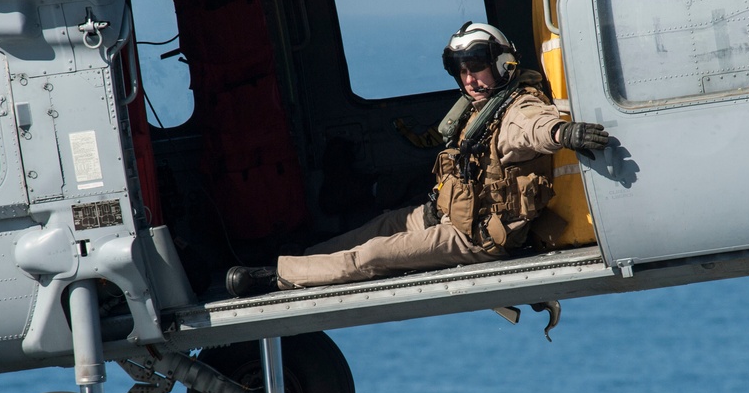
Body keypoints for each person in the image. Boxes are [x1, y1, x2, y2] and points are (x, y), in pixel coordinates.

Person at [225, 21, 610, 297]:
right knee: (381, 226)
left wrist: (564, 133)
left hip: (477, 237)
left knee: (374, 255)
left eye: (476, 68)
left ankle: (274, 277)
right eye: (462, 72)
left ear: (504, 64)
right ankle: (299, 260)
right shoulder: (485, 107)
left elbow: (536, 128)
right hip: (448, 214)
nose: (470, 80)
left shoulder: (517, 108)